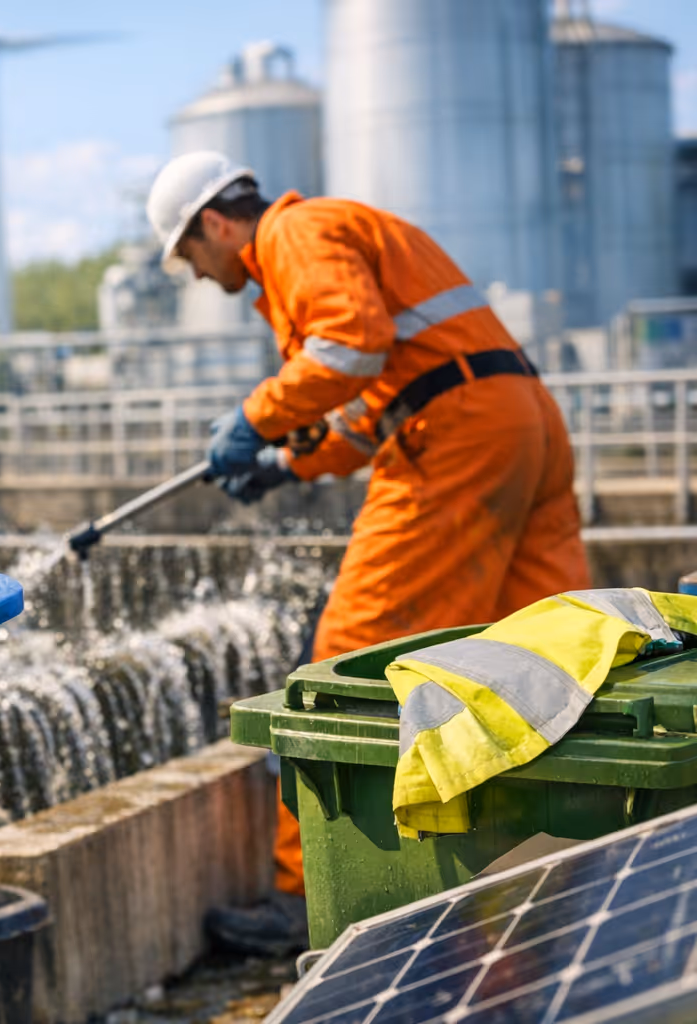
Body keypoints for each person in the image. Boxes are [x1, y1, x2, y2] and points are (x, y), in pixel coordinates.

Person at [146, 151, 591, 955]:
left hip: (455, 440)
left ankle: (317, 894)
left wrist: (256, 417)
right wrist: (286, 461)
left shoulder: (293, 232)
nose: (198, 273)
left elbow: (349, 347)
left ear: (215, 223)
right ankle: (571, 856)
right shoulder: (338, 235)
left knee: (355, 663)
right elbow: (375, 397)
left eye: (189, 256)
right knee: (543, 654)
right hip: (519, 422)